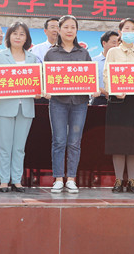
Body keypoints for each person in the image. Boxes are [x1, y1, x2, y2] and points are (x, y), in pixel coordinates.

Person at [44, 15, 95, 194]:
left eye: (73, 27)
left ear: (76, 31)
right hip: (58, 102)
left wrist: (94, 88)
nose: (69, 30)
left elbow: (90, 77)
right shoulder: (51, 53)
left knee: (74, 141)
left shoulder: (83, 53)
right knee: (59, 140)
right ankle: (58, 178)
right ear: (59, 30)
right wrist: (46, 89)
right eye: (66, 27)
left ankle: (71, 178)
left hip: (79, 103)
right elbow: (45, 77)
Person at [0, 22, 40, 193]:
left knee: (19, 147)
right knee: (4, 146)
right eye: (15, 33)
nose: (18, 37)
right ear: (9, 36)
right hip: (4, 106)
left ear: (27, 38)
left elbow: (36, 81)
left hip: (25, 107)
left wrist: (39, 91)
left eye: (22, 34)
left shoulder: (32, 58)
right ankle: (4, 180)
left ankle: (16, 180)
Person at [104, 18, 134, 194]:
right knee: (118, 142)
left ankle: (132, 180)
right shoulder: (113, 52)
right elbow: (107, 74)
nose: (130, 32)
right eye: (127, 28)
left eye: (133, 29)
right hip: (118, 102)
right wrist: (113, 90)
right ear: (120, 32)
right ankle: (118, 179)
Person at [91, 30, 119, 106]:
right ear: (104, 43)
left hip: (118, 99)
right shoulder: (93, 61)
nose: (116, 46)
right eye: (114, 43)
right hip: (99, 99)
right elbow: (89, 83)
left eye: (118, 43)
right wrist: (103, 91)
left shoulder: (122, 62)